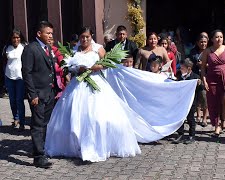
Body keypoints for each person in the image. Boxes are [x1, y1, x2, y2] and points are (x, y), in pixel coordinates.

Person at [45, 26, 198, 162]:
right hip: (77, 85)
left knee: (97, 117)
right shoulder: (75, 50)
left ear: (91, 36)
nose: (84, 39)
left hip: (96, 83)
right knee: (74, 116)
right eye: (82, 37)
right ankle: (75, 145)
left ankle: (97, 144)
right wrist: (75, 68)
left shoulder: (98, 48)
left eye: (87, 36)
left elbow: (106, 64)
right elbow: (69, 66)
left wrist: (91, 68)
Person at [21, 21, 58, 168]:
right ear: (39, 33)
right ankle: (38, 157)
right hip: (37, 94)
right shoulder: (31, 49)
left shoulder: (47, 48)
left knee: (45, 124)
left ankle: (41, 149)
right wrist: (32, 94)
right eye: (48, 33)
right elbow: (27, 73)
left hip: (49, 93)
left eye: (51, 33)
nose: (50, 36)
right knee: (37, 125)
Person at [201, 30, 225, 135]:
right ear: (212, 39)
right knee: (213, 103)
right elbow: (202, 69)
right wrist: (205, 81)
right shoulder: (207, 51)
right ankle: (216, 125)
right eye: (216, 37)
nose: (219, 39)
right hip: (212, 80)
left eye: (221, 37)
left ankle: (223, 119)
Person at [172, 58, 200, 144]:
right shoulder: (180, 76)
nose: (180, 69)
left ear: (189, 68)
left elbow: (200, 87)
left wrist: (199, 83)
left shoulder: (195, 77)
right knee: (181, 118)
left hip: (191, 102)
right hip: (181, 101)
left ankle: (192, 135)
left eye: (182, 68)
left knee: (190, 118)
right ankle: (180, 134)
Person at [3, 28, 27, 130]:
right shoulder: (6, 48)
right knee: (12, 100)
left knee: (19, 100)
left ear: (20, 38)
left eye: (17, 37)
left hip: (20, 77)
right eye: (14, 37)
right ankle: (15, 118)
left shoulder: (24, 47)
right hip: (9, 76)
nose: (16, 39)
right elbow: (4, 62)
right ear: (11, 38)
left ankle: (22, 121)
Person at [189, 34, 209, 127]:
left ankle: (205, 118)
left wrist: (204, 65)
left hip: (206, 77)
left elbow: (213, 64)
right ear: (197, 43)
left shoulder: (210, 51)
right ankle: (198, 116)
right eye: (201, 42)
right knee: (196, 97)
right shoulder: (193, 52)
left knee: (204, 97)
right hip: (195, 77)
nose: (203, 44)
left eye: (205, 42)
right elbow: (189, 63)